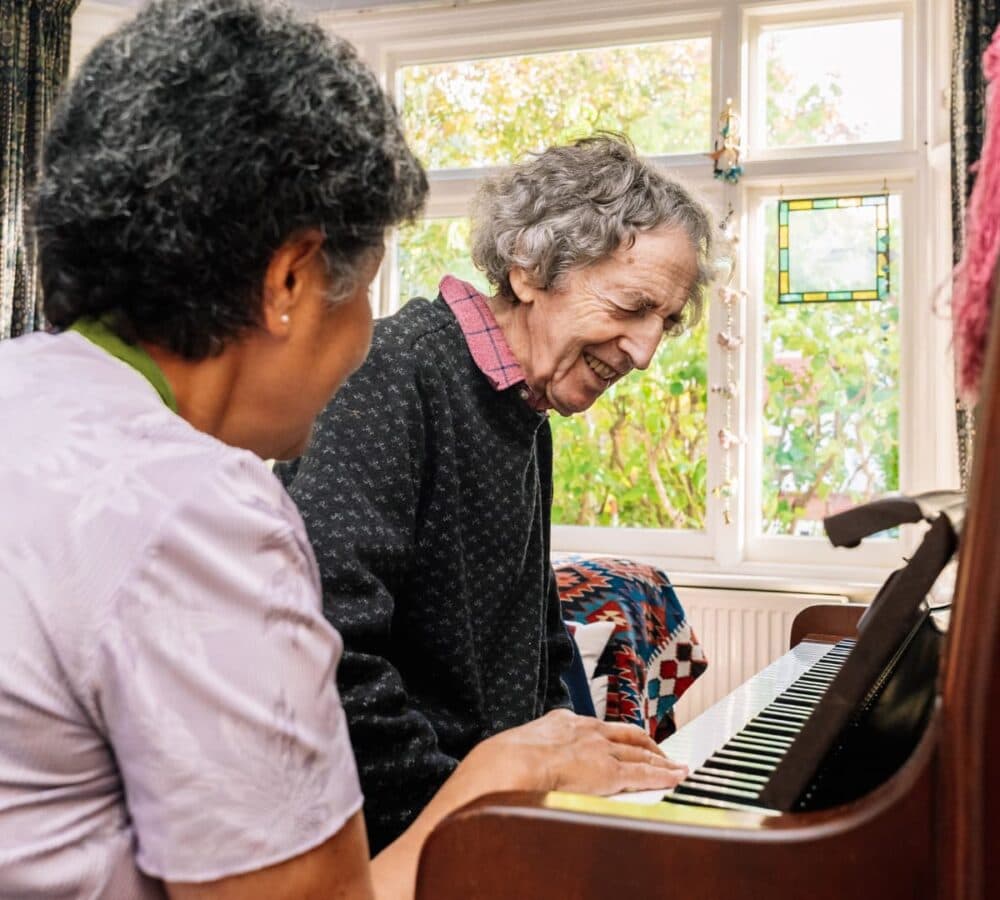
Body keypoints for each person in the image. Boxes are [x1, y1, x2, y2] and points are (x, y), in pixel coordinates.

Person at [0, 2, 687, 898]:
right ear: (289, 281)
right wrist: (494, 780)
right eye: (361, 289)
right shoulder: (201, 512)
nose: (368, 331)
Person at [279, 133, 714, 853]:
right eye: (633, 306)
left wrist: (573, 766)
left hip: (494, 817)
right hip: (410, 841)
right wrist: (471, 822)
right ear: (530, 268)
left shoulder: (527, 415)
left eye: (663, 322)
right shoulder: (391, 376)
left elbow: (535, 642)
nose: (644, 353)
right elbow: (326, 655)